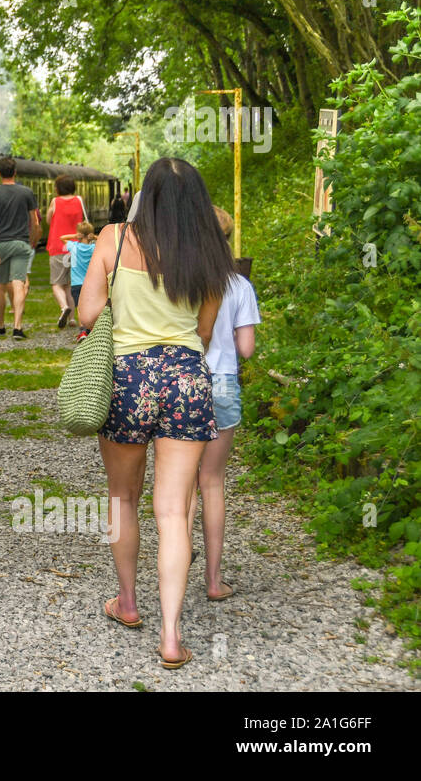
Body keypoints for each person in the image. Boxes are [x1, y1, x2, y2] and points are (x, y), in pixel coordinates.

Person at [76, 157, 234, 670]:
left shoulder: (115, 238)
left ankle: (127, 602)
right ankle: (170, 636)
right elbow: (205, 333)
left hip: (128, 378)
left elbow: (87, 314)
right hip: (187, 379)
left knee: (123, 496)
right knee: (173, 511)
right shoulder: (210, 252)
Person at [188, 206, 259, 602]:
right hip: (224, 386)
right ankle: (214, 582)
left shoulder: (181, 280)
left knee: (180, 486)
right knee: (212, 482)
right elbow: (246, 349)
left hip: (185, 383)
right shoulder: (239, 285)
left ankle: (176, 569)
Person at [0, 157, 40, 339]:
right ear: (15, 172)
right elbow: (35, 221)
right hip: (21, 243)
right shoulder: (26, 193)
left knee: (0, 285)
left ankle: (0, 324)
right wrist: (32, 241)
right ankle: (17, 327)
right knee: (18, 284)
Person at [45, 175, 87, 328]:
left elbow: (49, 220)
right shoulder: (79, 200)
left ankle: (64, 307)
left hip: (58, 247)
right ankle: (72, 319)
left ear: (58, 188)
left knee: (57, 283)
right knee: (70, 284)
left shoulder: (55, 201)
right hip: (75, 248)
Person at [60, 220, 97, 338]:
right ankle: (90, 328)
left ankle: (82, 331)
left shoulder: (73, 246)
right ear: (90, 234)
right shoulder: (93, 248)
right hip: (90, 283)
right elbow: (104, 241)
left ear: (79, 234)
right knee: (91, 306)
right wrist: (94, 236)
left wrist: (75, 236)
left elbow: (62, 238)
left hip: (76, 283)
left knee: (79, 307)